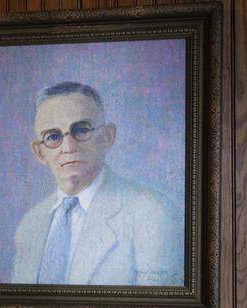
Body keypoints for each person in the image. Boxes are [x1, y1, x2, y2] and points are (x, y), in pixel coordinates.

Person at [10, 81, 183, 286]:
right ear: (40, 152)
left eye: (81, 130)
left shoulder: (152, 212)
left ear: (107, 136)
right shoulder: (30, 224)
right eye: (53, 136)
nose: (68, 147)